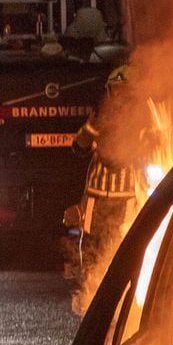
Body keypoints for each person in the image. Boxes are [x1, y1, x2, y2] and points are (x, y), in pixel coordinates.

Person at [66, 65, 137, 308]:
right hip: (96, 201)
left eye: (124, 92)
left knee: (122, 252)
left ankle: (121, 307)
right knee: (91, 252)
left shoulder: (143, 120)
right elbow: (78, 148)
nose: (119, 97)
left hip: (126, 200)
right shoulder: (100, 119)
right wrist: (91, 128)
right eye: (116, 91)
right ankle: (91, 302)